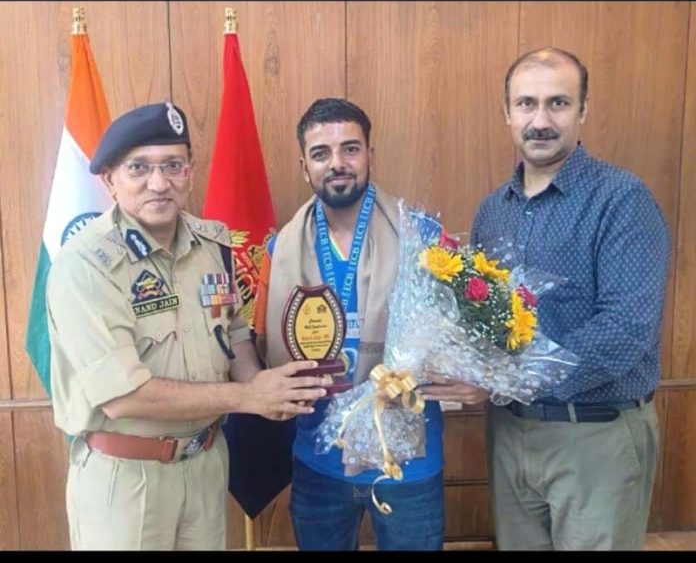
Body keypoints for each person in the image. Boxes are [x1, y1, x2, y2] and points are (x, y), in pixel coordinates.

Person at [46, 102, 328, 551]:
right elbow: (123, 395)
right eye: (139, 167)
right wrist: (248, 397)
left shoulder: (212, 243)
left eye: (172, 165)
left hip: (205, 464)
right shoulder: (86, 265)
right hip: (126, 475)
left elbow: (233, 334)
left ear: (191, 172)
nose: (159, 183)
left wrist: (265, 387)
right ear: (109, 180)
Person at [252, 97, 486, 551]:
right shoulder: (279, 250)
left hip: (408, 464)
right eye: (321, 153)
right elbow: (259, 347)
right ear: (304, 166)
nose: (337, 163)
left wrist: (475, 377)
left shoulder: (422, 237)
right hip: (318, 462)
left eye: (350, 149)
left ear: (369, 155)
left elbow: (471, 334)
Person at [470, 47, 671, 550]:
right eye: (526, 104)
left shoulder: (622, 199)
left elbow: (625, 330)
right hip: (510, 433)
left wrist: (510, 376)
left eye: (558, 103)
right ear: (506, 113)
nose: (540, 120)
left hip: (595, 436)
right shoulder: (492, 211)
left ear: (583, 111)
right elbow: (480, 319)